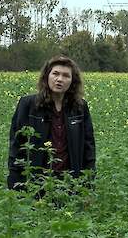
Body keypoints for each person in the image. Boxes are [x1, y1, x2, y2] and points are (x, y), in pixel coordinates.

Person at [7, 55, 96, 192]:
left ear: (73, 81)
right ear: (47, 76)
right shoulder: (28, 105)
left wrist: (88, 186)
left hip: (70, 184)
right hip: (36, 184)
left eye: (66, 75)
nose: (60, 79)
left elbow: (88, 148)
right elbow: (16, 146)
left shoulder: (80, 108)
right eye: (55, 73)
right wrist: (15, 185)